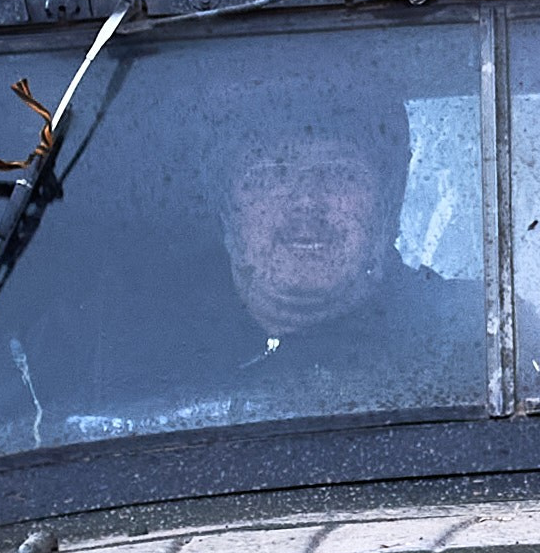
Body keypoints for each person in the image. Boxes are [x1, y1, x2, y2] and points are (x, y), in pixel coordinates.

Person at [35, 80, 478, 422]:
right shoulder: (120, 347)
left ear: (388, 204)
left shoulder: (470, 340)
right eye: (271, 174)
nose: (307, 200)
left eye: (339, 173)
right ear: (228, 211)